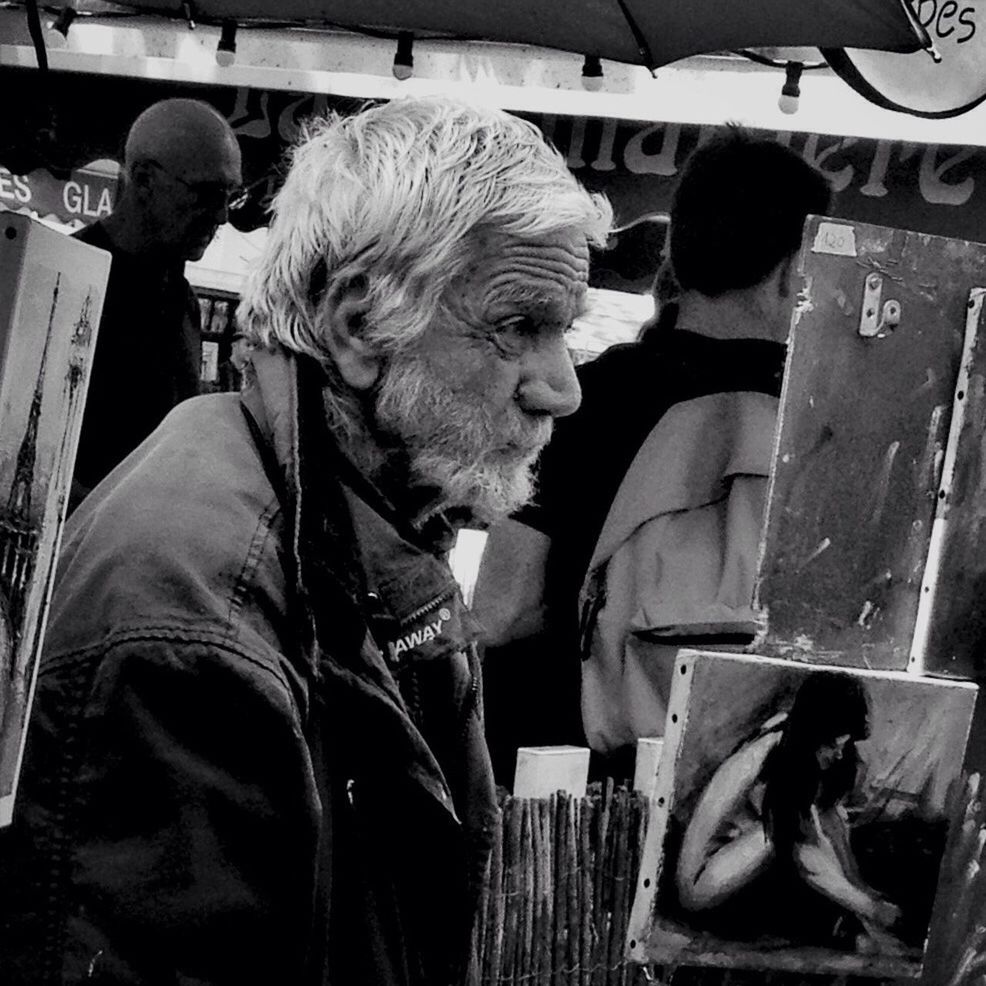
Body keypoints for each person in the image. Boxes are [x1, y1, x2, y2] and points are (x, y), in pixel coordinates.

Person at [0, 98, 611, 985]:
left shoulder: (368, 516)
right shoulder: (193, 626)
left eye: (566, 330)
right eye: (519, 326)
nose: (562, 388)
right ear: (361, 324)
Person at [472, 128, 832, 777]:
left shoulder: (584, 400)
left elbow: (502, 610)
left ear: (677, 245)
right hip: (745, 785)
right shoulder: (825, 425)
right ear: (793, 266)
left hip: (574, 789)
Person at [70, 98, 243, 509]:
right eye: (207, 193)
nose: (221, 216)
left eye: (231, 196)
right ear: (144, 180)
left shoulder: (184, 301)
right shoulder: (67, 277)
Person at [675, 671, 905, 952]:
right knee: (785, 835)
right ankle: (851, 926)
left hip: (737, 858)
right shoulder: (767, 755)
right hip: (699, 884)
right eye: (835, 744)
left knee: (824, 822)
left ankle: (850, 926)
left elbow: (829, 827)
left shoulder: (794, 740)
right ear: (817, 733)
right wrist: (870, 908)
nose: (840, 754)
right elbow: (808, 854)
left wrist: (859, 887)